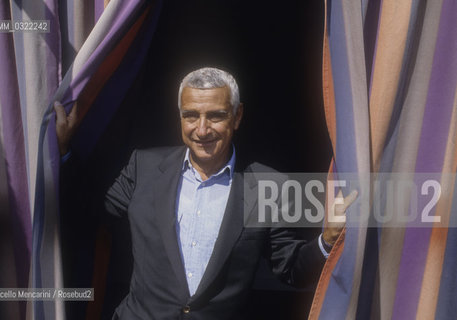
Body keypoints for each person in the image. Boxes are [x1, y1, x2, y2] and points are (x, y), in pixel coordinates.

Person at [54, 67, 357, 319]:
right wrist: (63, 152)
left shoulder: (268, 185)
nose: (202, 129)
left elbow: (292, 270)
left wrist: (328, 239)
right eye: (190, 115)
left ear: (237, 117)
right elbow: (89, 217)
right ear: (180, 117)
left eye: (215, 115)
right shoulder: (142, 166)